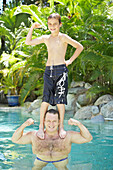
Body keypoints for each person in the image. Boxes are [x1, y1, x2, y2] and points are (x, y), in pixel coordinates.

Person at [25, 13, 83, 139]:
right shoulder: (46, 38)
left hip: (61, 71)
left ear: (60, 25)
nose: (52, 27)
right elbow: (28, 42)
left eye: (55, 24)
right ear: (47, 25)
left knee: (60, 101)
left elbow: (80, 47)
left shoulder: (63, 37)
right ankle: (41, 127)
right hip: (48, 71)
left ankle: (61, 127)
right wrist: (32, 28)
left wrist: (70, 60)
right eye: (50, 24)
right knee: (45, 100)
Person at [12, 109, 92, 170]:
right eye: (48, 121)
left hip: (61, 161)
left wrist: (78, 124)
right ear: (43, 121)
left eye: (54, 121)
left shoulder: (67, 136)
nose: (51, 124)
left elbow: (88, 138)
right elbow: (15, 139)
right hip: (40, 160)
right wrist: (24, 125)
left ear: (59, 122)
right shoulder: (35, 135)